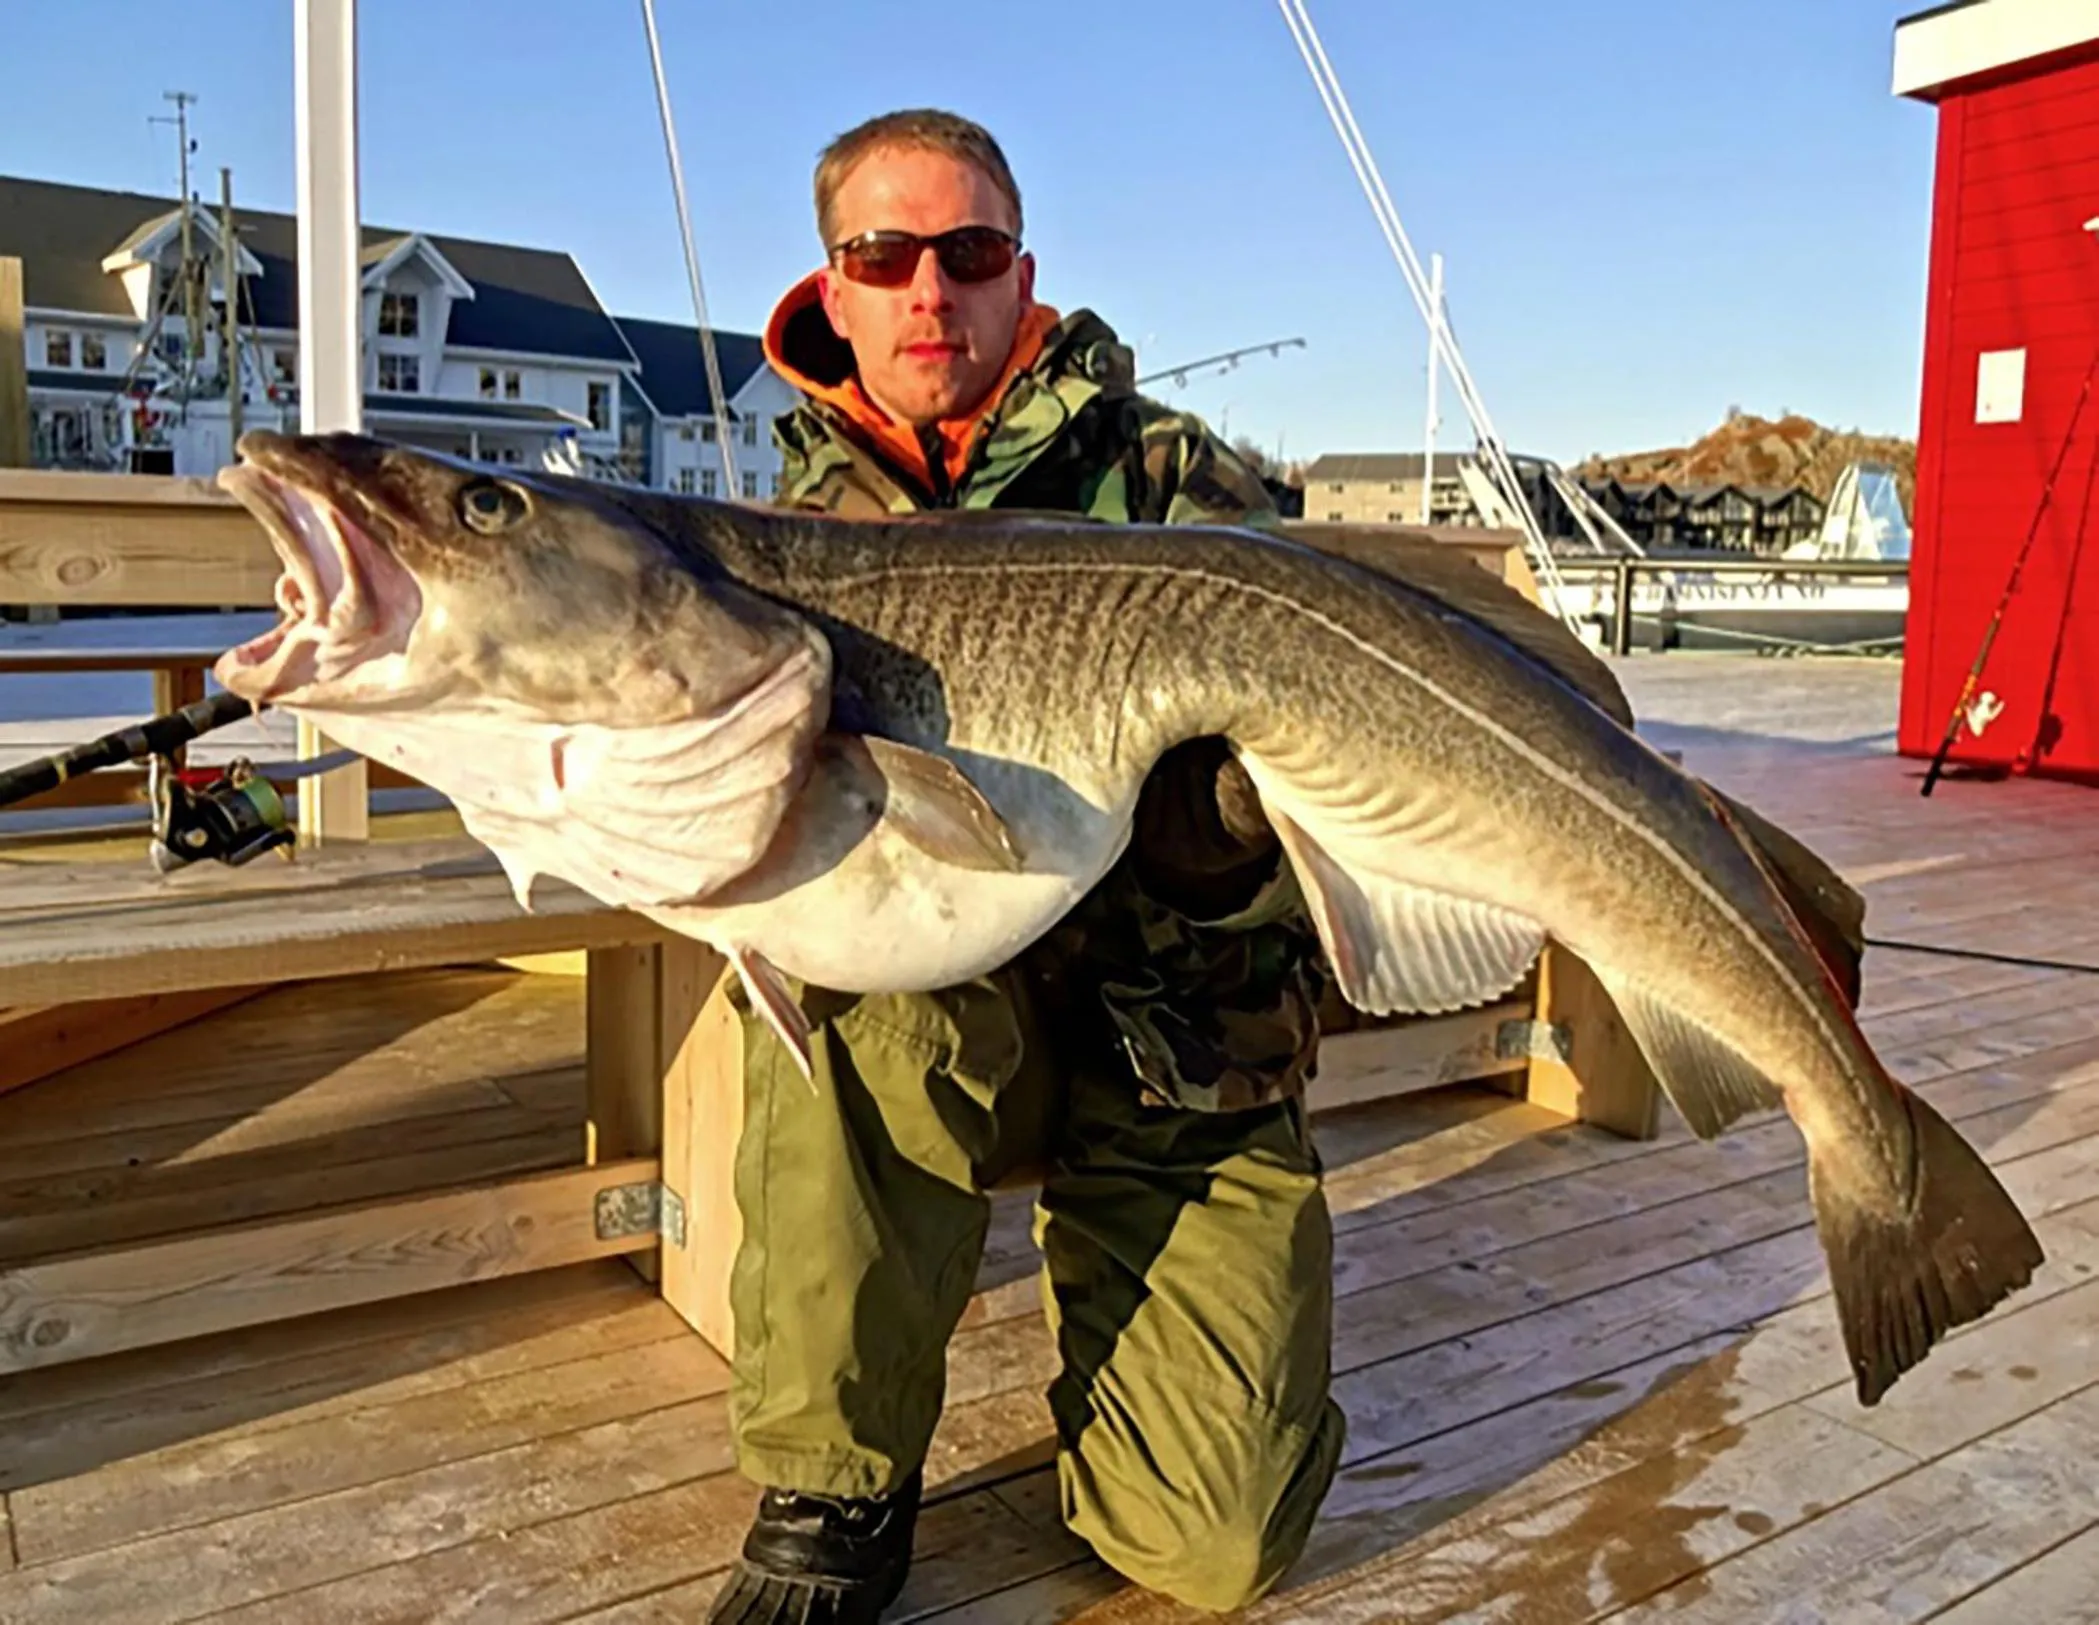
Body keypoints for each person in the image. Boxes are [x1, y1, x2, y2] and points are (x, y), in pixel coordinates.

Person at [708, 108, 1345, 1624]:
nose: (930, 289)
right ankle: (832, 1479)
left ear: (1022, 275)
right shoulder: (765, 538)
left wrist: (1221, 864)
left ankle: (1153, 1366)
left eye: (969, 252)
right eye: (886, 254)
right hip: (929, 1025)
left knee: (1212, 1545)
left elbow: (1342, 783)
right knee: (841, 987)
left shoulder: (1180, 481)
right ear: (833, 286)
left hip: (1179, 1037)